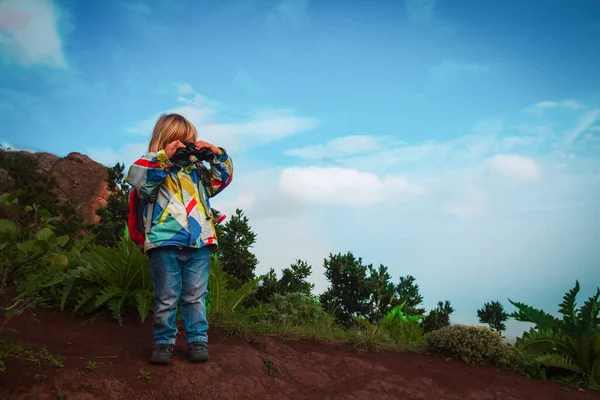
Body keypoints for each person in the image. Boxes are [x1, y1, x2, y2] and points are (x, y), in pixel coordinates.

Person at [126, 113, 234, 365]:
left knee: (196, 295)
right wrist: (165, 158)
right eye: (181, 143)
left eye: (191, 143)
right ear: (165, 141)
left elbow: (221, 180)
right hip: (164, 242)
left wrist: (217, 155)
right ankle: (164, 342)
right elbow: (138, 180)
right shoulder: (153, 167)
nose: (187, 149)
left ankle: (198, 340)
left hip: (199, 243)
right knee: (166, 296)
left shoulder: (196, 172)